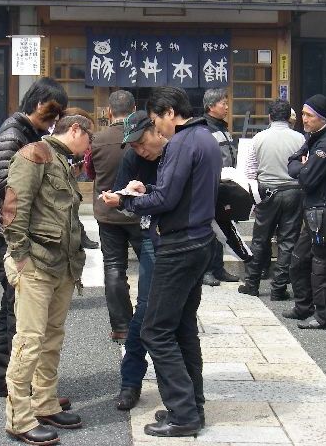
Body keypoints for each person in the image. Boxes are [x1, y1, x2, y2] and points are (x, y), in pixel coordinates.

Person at [118, 87, 221, 438]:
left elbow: (166, 198)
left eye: (156, 119)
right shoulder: (207, 137)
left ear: (170, 112)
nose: (156, 127)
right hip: (200, 240)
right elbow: (179, 193)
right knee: (182, 328)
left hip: (180, 246)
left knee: (155, 330)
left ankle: (183, 413)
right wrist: (147, 193)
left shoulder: (181, 142)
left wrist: (127, 201)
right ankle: (193, 406)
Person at [2, 114, 92, 445]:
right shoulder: (34, 154)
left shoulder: (60, 160)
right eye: (89, 137)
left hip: (62, 265)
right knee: (29, 341)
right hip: (36, 264)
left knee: (52, 338)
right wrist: (20, 256)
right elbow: (14, 207)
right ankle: (18, 419)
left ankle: (45, 402)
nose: (90, 145)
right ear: (76, 130)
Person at [0, 77, 68, 400]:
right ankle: (13, 385)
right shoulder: (14, 133)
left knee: (14, 309)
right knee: (18, 313)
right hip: (13, 234)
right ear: (38, 104)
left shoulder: (29, 132)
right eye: (53, 114)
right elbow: (3, 184)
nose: (55, 122)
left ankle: (5, 379)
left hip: (20, 231)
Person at [101, 111, 165, 411]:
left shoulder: (177, 151)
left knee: (178, 320)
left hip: (182, 241)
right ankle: (130, 382)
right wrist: (123, 198)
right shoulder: (131, 157)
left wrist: (140, 197)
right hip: (149, 233)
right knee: (144, 310)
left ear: (157, 129)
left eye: (141, 142)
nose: (139, 150)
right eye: (134, 145)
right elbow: (124, 198)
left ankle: (183, 390)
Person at [285, 94, 326, 330]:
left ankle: (324, 316)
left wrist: (302, 167)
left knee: (321, 265)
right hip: (311, 208)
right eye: (303, 114)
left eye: (309, 115)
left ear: (321, 117)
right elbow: (292, 162)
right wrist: (301, 166)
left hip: (325, 210)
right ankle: (304, 306)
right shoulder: (313, 137)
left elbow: (307, 179)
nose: (304, 119)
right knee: (298, 260)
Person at [90, 90, 143, 342]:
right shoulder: (141, 137)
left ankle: (121, 326)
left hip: (107, 212)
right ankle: (149, 319)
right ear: (134, 110)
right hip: (139, 210)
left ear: (109, 112)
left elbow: (90, 172)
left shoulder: (97, 140)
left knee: (113, 267)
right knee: (151, 265)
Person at [239, 99, 305, 300]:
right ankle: (278, 288)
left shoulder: (258, 138)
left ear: (270, 117)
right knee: (288, 241)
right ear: (289, 118)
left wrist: (251, 197)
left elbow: (250, 171)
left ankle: (252, 284)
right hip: (293, 191)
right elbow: (306, 167)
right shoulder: (300, 138)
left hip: (266, 192)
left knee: (260, 240)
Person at [201, 88, 240, 286]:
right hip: (210, 185)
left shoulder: (222, 127)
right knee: (210, 229)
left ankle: (218, 268)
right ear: (210, 106)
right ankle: (206, 270)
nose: (226, 107)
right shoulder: (204, 129)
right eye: (223, 103)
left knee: (222, 228)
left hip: (226, 185)